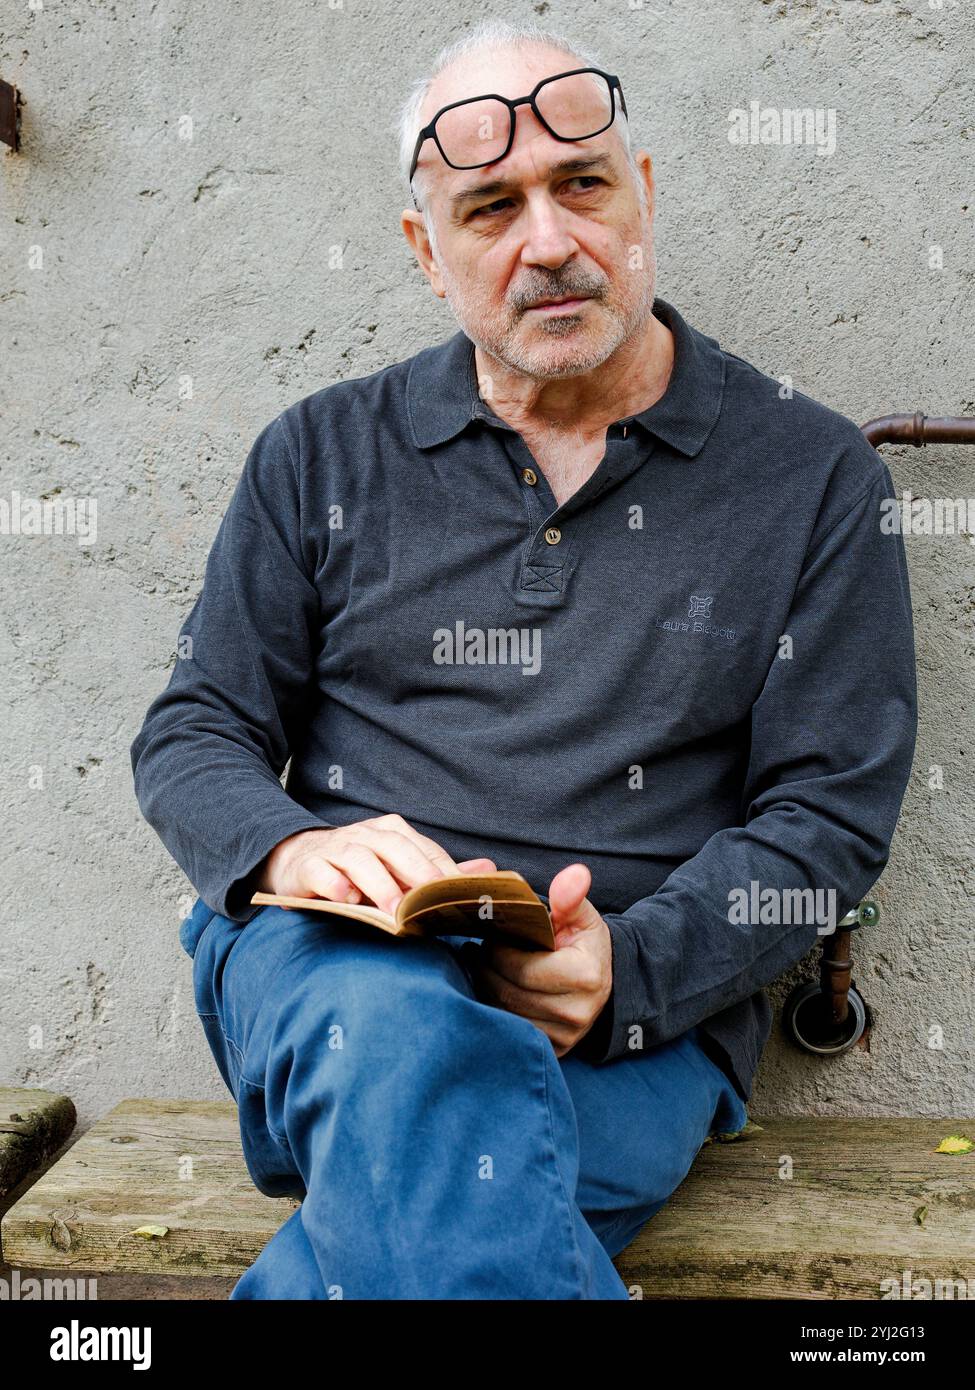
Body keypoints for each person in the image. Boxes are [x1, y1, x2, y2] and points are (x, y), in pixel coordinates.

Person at [130, 19, 918, 1300]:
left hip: (627, 1026)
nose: (548, 241)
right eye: (490, 207)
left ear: (643, 194)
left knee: (421, 1211)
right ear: (425, 257)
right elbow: (193, 730)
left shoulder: (815, 477)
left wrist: (632, 968)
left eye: (583, 186)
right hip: (334, 976)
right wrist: (295, 850)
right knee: (400, 1042)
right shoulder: (318, 455)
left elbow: (829, 815)